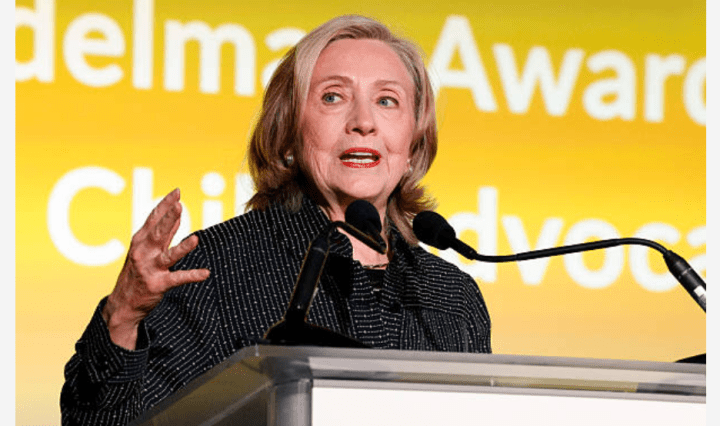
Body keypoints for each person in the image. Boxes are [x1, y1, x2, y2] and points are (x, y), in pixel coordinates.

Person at [60, 14, 491, 425]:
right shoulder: (217, 270)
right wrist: (123, 317)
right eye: (333, 97)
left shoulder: (453, 298)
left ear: (414, 143)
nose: (363, 122)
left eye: (386, 100)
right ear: (288, 133)